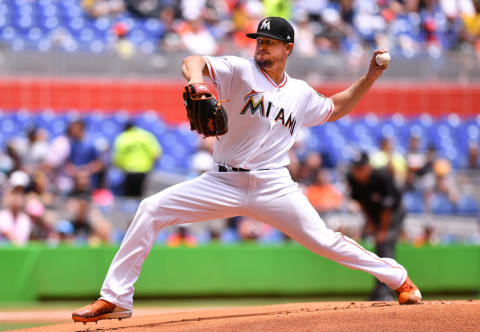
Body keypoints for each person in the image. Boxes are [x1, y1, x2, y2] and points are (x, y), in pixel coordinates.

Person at [72, 16, 421, 324]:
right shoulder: (240, 70)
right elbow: (193, 61)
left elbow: (335, 107)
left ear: (288, 49)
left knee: (324, 240)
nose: (262, 48)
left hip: (274, 185)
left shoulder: (299, 93)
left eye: (269, 43)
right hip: (222, 181)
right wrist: (196, 81)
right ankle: (116, 298)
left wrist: (370, 77)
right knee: (150, 209)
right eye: (259, 41)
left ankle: (398, 279)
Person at [347, 152, 406, 301]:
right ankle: (379, 291)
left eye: (360, 168)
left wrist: (383, 230)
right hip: (374, 214)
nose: (357, 171)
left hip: (394, 213)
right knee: (378, 249)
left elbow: (388, 207)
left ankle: (386, 292)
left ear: (368, 167)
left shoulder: (382, 177)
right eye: (355, 168)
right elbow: (362, 203)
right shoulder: (353, 179)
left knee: (385, 245)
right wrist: (372, 224)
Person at [112, 122, 162, 197]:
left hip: (129, 171)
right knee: (142, 196)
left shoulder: (122, 137)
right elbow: (156, 154)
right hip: (144, 170)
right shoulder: (146, 135)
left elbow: (117, 159)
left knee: (130, 197)